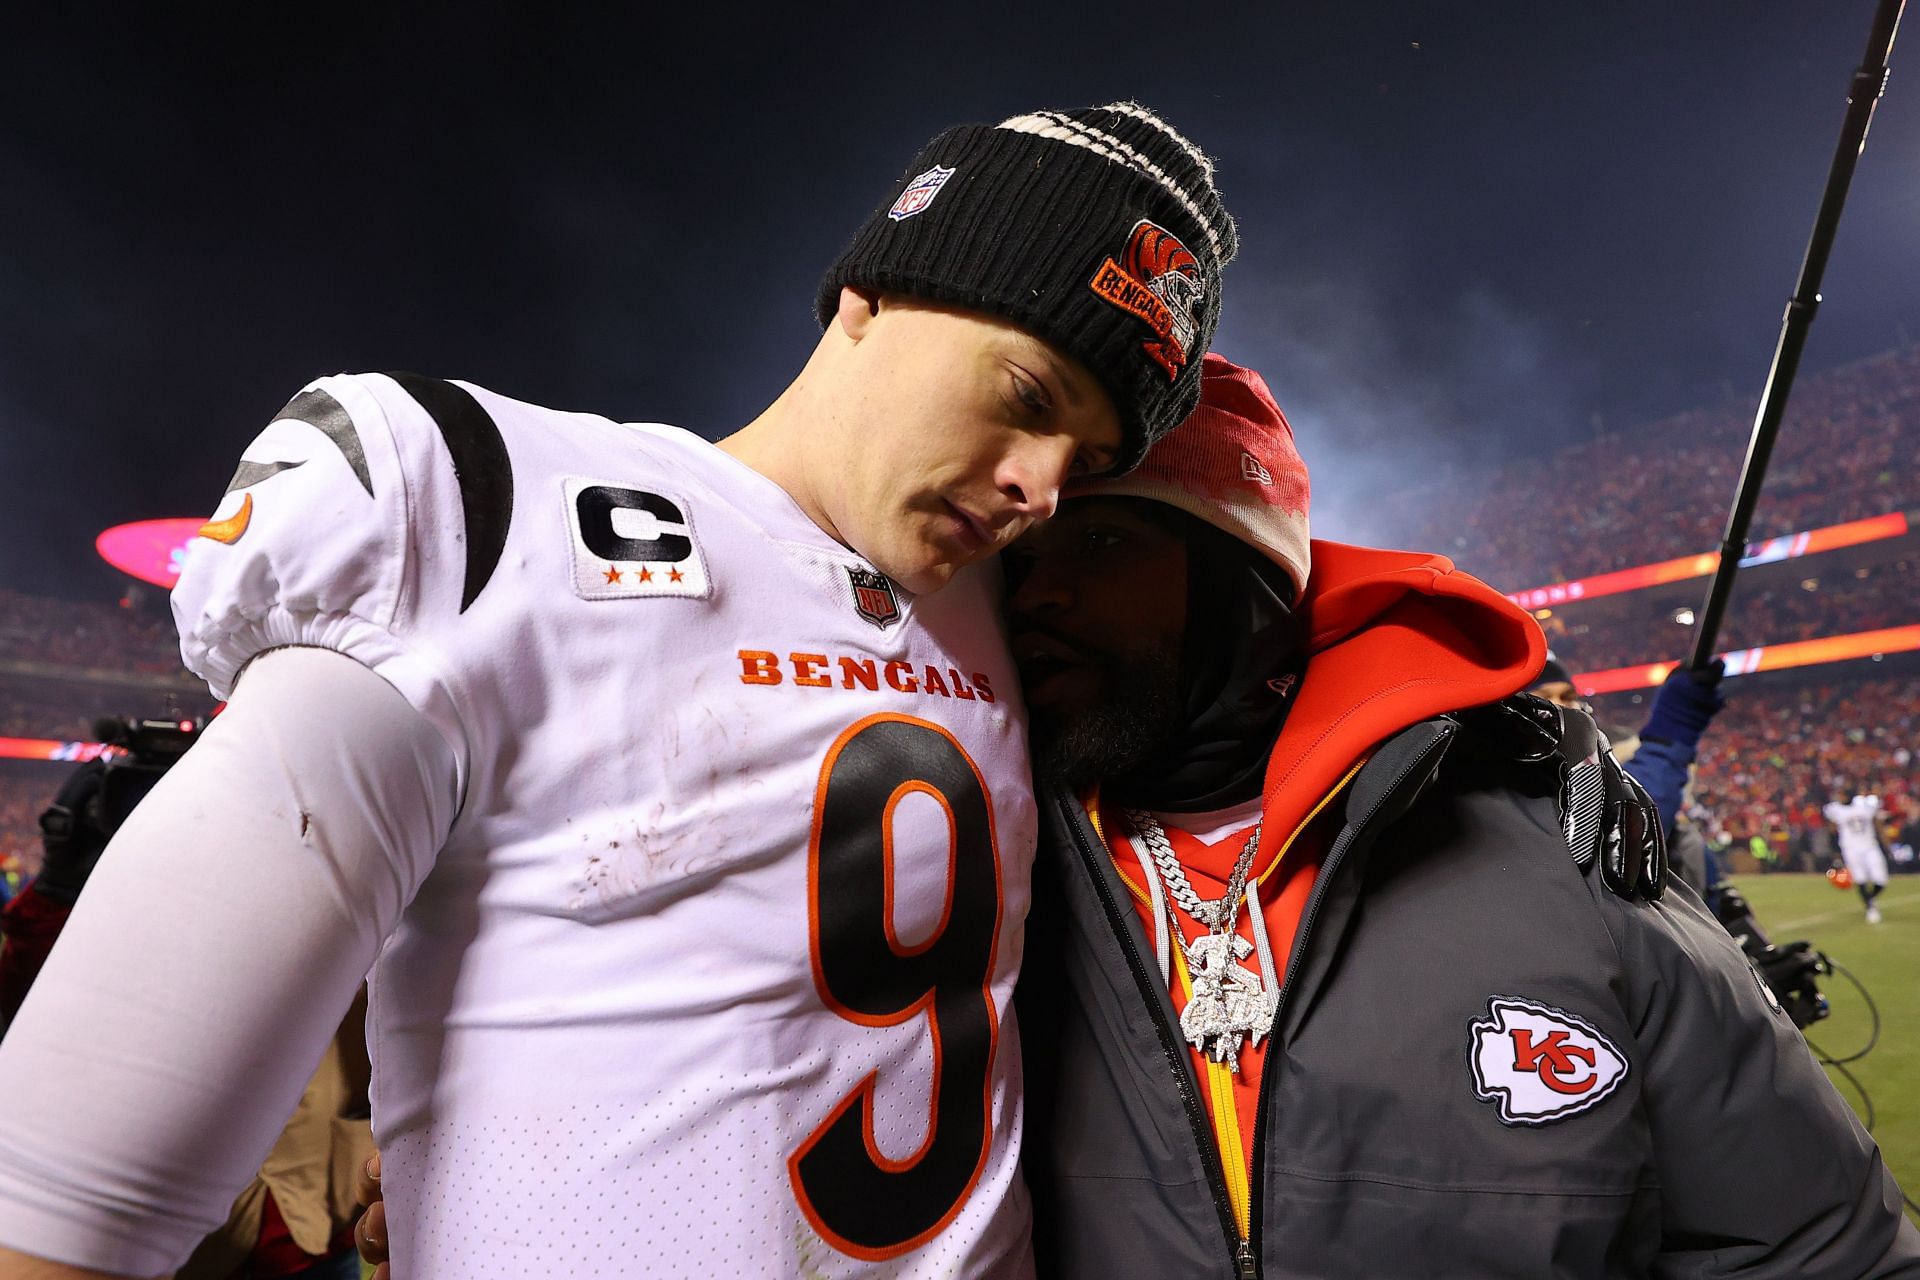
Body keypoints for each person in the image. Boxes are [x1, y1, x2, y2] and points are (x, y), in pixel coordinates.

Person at [0, 102, 1240, 1279]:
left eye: (1088, 458)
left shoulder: (1016, 619)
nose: (1042, 488)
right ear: (873, 293)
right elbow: (79, 1192)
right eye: (1026, 396)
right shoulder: (493, 511)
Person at [1008, 356, 1920, 1276]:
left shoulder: (1557, 841)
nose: (1034, 594)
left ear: (1246, 575)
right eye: (1020, 558)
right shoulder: (981, 870)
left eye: (1102, 543)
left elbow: (1815, 1249)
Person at [1825, 789, 1891, 922]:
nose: (1840, 797)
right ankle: (1870, 908)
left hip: (1870, 845)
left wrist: (1886, 845)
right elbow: (1831, 832)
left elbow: (1878, 824)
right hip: (1850, 848)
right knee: (1860, 879)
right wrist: (1836, 853)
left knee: (1881, 880)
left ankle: (1870, 899)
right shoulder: (1836, 809)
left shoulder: (1865, 807)